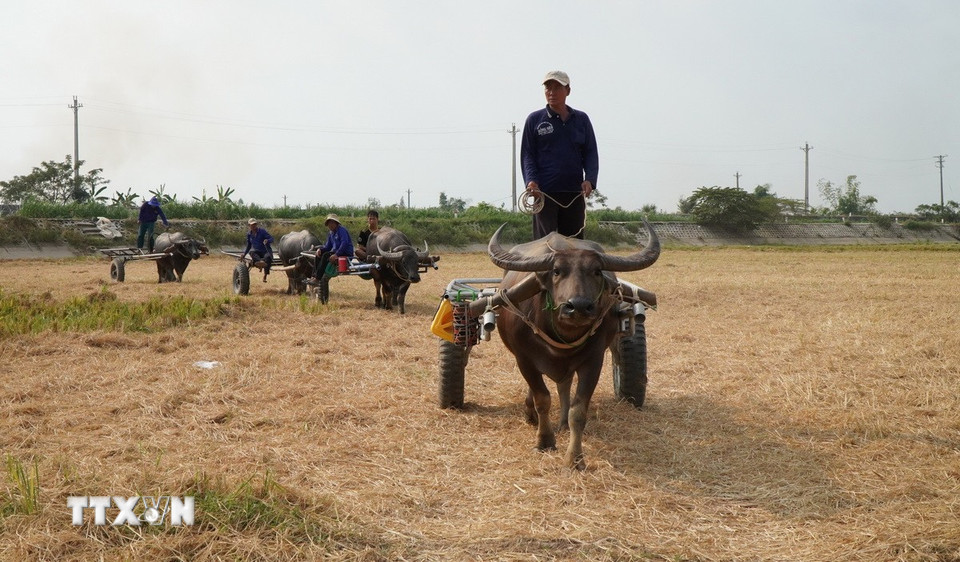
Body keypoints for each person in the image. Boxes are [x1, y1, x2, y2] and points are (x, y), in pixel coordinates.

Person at [520, 70, 599, 240]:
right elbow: (528, 155)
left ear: (568, 91)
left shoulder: (582, 119)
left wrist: (590, 179)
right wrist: (531, 181)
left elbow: (591, 152)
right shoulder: (534, 120)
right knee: (545, 246)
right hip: (544, 193)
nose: (551, 92)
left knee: (574, 247)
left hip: (574, 193)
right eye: (548, 88)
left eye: (557, 88)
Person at [309, 214, 354, 304]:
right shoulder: (331, 233)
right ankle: (315, 276)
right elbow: (327, 246)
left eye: (332, 223)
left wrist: (337, 254)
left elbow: (344, 244)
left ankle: (317, 278)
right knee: (319, 255)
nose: (330, 225)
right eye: (328, 223)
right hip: (335, 252)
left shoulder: (342, 231)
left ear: (336, 223)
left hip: (345, 253)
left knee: (326, 255)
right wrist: (320, 250)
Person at [240, 218, 274, 282]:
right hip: (257, 251)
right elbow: (249, 245)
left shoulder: (262, 231)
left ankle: (265, 275)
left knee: (268, 257)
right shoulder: (249, 234)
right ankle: (260, 263)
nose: (253, 226)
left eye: (255, 224)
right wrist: (244, 254)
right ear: (249, 225)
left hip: (266, 251)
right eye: (252, 225)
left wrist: (267, 240)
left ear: (256, 224)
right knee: (252, 252)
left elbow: (272, 238)